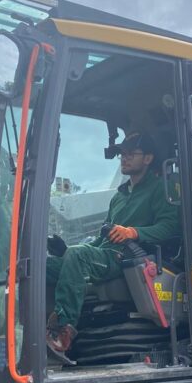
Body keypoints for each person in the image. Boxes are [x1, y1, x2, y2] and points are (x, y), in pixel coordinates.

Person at [46, 131, 180, 361]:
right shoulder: (119, 197)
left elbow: (170, 227)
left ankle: (64, 330)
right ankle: (37, 332)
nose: (124, 158)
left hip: (129, 258)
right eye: (122, 155)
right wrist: (65, 250)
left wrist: (134, 232)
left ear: (148, 159)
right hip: (106, 254)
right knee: (45, 266)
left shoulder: (160, 189)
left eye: (131, 154)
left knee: (79, 257)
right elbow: (102, 238)